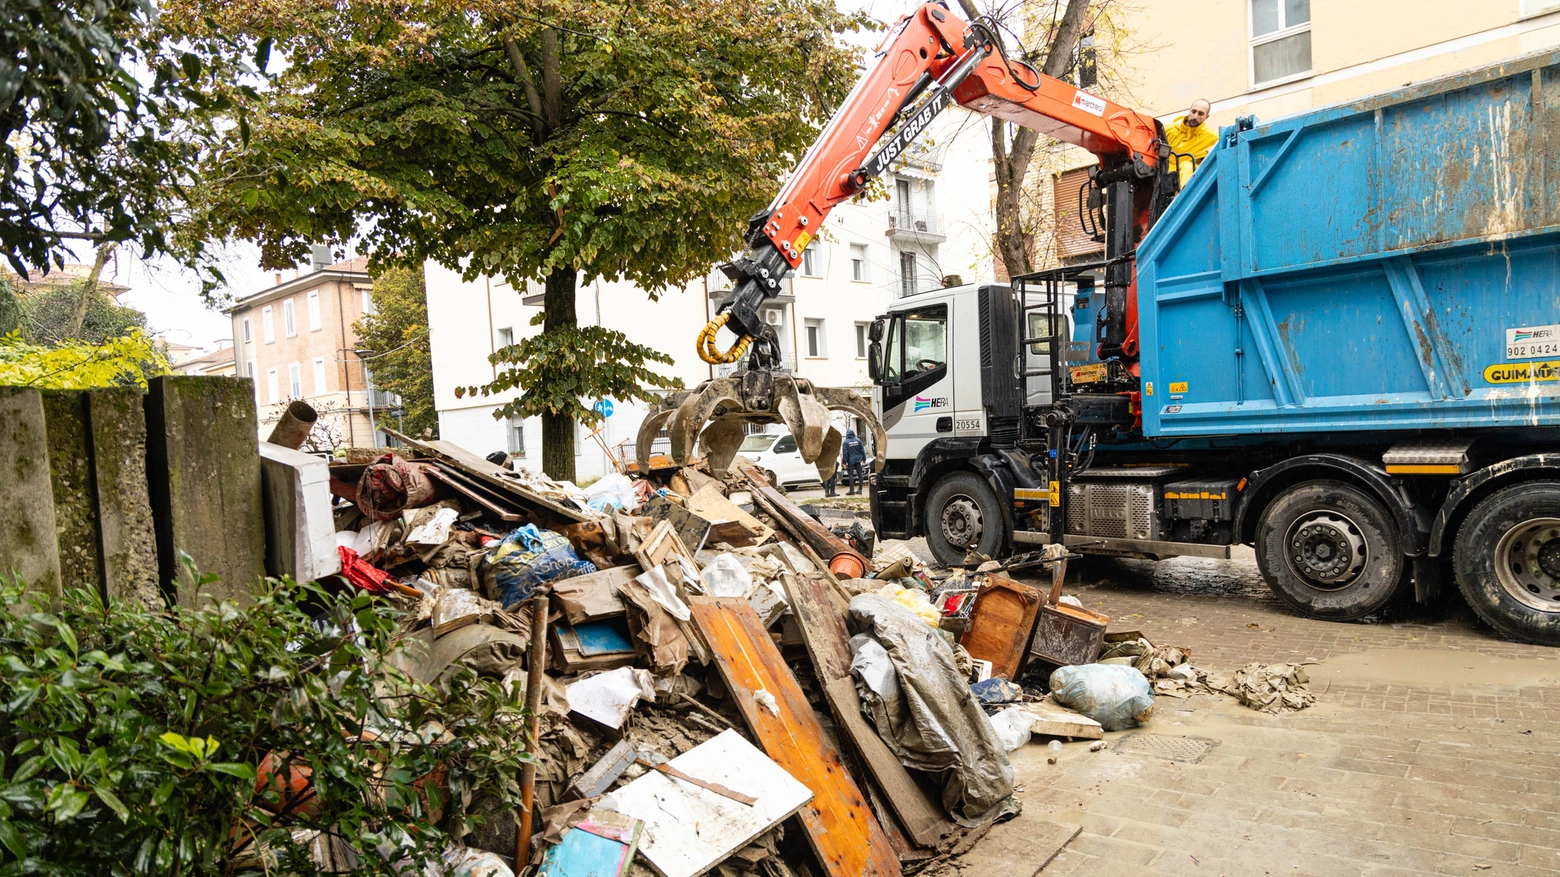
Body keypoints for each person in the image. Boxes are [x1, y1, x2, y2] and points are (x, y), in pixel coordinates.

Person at [1164, 99, 1218, 188]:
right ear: (1189, 111)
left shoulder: (1211, 137)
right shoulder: (1169, 129)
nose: (1195, 116)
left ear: (1206, 117)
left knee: (1187, 166)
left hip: (1185, 177)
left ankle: (1182, 199)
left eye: (1201, 114)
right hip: (1162, 174)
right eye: (1193, 111)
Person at [841, 428, 868, 495]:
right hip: (858, 460)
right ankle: (860, 489)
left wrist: (844, 462)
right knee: (860, 474)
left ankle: (852, 490)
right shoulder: (858, 440)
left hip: (851, 461)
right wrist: (864, 459)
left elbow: (845, 453)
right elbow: (862, 450)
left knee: (850, 475)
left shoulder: (846, 442)